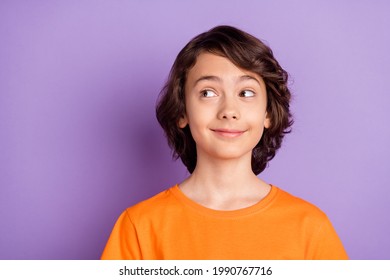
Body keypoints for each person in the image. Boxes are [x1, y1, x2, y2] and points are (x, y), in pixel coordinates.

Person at [101, 25, 348, 260]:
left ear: (268, 114)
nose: (229, 110)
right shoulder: (139, 226)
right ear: (182, 112)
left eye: (246, 93)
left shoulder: (310, 227)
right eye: (208, 92)